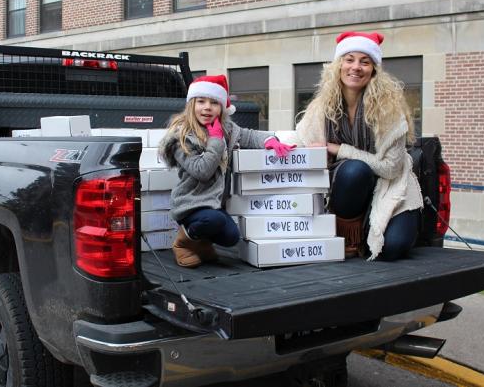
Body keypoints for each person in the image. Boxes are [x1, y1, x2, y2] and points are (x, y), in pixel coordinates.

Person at [295, 31, 423, 261]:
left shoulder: (388, 109)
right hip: (345, 187)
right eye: (349, 59)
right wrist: (274, 144)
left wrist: (339, 149)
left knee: (392, 248)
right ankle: (349, 235)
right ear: (339, 65)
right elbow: (302, 141)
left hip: (389, 185)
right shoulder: (322, 106)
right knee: (355, 170)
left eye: (365, 61)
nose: (356, 67)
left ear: (374, 69)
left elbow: (391, 169)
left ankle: (373, 231)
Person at [159, 74, 295, 268]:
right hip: (190, 204)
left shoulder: (227, 128)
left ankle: (202, 243)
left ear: (221, 107)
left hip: (214, 205)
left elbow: (249, 135)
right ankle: (183, 242)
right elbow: (202, 170)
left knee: (231, 237)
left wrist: (270, 141)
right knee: (211, 220)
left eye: (214, 102)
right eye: (201, 101)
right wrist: (215, 141)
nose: (207, 107)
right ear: (191, 105)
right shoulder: (181, 137)